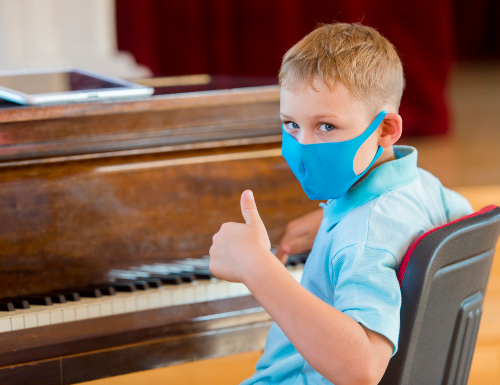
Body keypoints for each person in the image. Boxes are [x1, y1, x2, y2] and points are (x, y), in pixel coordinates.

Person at [208, 23, 472, 385]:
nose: (303, 145)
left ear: (384, 130)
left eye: (326, 127)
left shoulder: (361, 237)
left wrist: (258, 268)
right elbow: (464, 224)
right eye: (291, 124)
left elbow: (361, 368)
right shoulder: (421, 184)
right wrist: (336, 216)